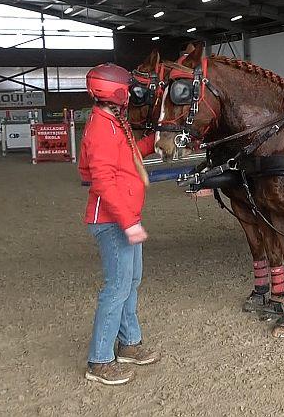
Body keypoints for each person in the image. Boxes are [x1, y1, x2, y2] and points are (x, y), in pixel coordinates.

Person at [79, 63, 160, 385]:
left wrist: (154, 141)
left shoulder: (113, 123)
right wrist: (127, 224)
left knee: (130, 282)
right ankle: (99, 360)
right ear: (115, 91)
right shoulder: (101, 127)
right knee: (116, 289)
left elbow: (126, 158)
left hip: (124, 219)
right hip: (112, 222)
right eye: (128, 86)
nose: (133, 91)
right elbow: (102, 180)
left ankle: (129, 343)